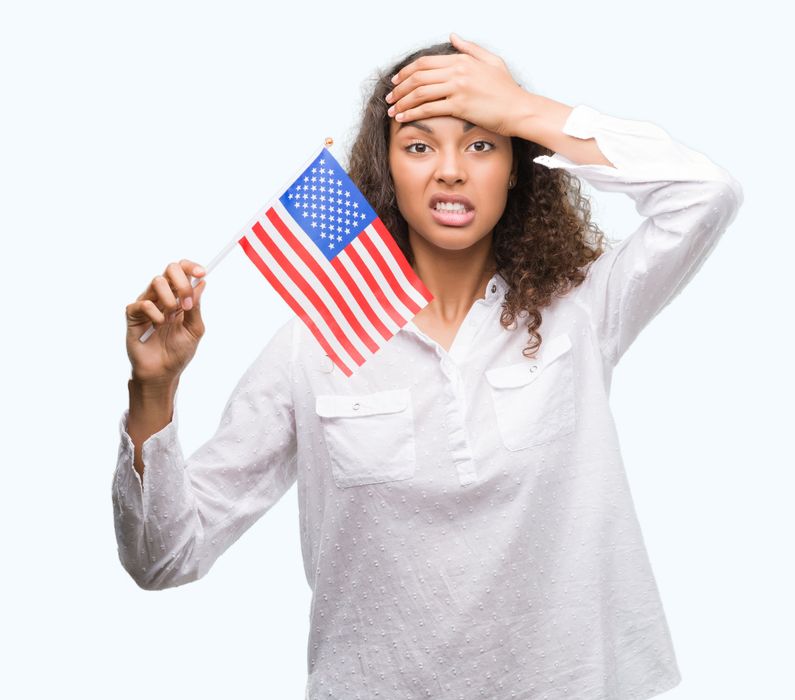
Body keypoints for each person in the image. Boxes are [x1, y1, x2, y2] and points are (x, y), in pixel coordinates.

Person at [117, 33, 743, 699]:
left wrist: (523, 107)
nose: (449, 169)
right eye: (419, 145)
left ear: (514, 165)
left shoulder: (581, 308)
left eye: (480, 142)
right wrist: (153, 389)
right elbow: (165, 556)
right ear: (388, 170)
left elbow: (706, 194)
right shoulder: (312, 345)